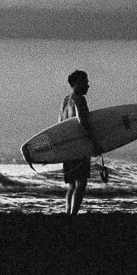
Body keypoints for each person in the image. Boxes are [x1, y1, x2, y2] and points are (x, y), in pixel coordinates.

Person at [59, 69, 101, 215]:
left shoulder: (65, 100)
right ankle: (74, 214)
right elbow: (82, 121)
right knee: (81, 184)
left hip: (67, 147)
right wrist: (93, 142)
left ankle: (68, 213)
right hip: (79, 147)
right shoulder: (79, 99)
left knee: (71, 185)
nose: (88, 85)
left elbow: (59, 124)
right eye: (86, 82)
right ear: (77, 83)